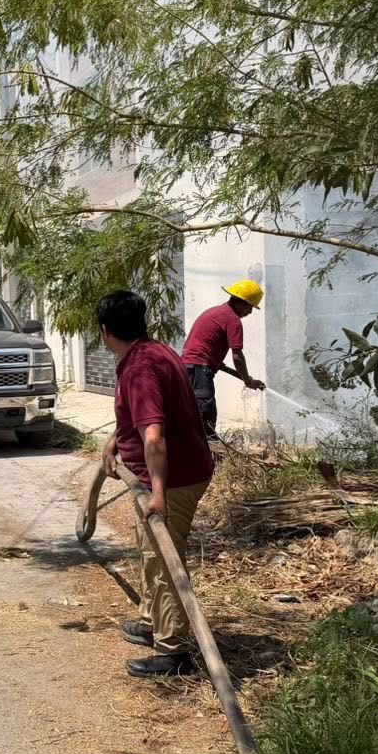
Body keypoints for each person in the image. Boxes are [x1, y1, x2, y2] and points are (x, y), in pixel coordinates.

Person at [96, 290, 215, 678]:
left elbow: (153, 437)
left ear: (104, 331)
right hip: (165, 475)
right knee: (150, 552)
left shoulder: (140, 369)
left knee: (164, 560)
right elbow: (138, 421)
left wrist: (160, 493)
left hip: (172, 480)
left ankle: (174, 651)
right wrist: (115, 441)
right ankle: (152, 620)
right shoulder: (154, 352)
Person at [180, 279, 267, 439]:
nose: (250, 312)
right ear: (240, 301)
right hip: (199, 370)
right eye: (249, 306)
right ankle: (211, 455)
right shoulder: (233, 320)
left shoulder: (217, 312)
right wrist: (247, 380)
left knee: (188, 412)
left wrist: (244, 378)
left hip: (186, 367)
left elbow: (215, 361)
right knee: (205, 413)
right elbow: (237, 356)